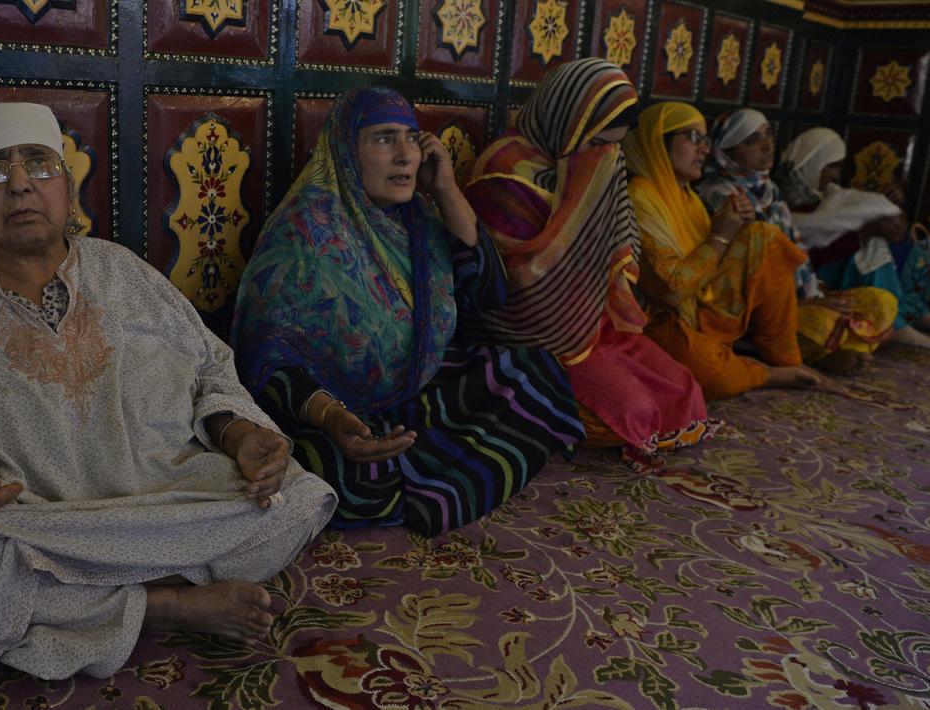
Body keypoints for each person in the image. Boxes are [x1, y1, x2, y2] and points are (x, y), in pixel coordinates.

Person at [0, 103, 337, 696]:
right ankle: (163, 604)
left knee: (296, 497)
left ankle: (73, 599)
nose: (20, 183)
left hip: (157, 497)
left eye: (39, 164)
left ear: (68, 188)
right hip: (27, 523)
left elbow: (212, 371)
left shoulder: (124, 272)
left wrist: (239, 435)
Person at [231, 87, 583, 537]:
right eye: (383, 138)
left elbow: (488, 291)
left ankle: (427, 481)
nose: (404, 155)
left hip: (418, 388)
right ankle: (438, 477)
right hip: (334, 412)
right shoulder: (307, 230)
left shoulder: (417, 220)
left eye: (412, 138)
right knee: (351, 476)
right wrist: (335, 418)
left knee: (536, 373)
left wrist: (447, 189)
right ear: (345, 151)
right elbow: (265, 358)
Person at [461, 58, 719, 473]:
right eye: (596, 142)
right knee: (629, 410)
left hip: (591, 321)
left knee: (683, 388)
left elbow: (613, 248)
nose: (606, 157)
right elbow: (513, 282)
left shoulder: (596, 162)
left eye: (614, 145)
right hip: (526, 333)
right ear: (565, 120)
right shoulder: (505, 175)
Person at [621, 102, 826, 399]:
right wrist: (721, 236)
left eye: (705, 140)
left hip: (702, 312)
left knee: (764, 236)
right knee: (705, 371)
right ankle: (765, 373)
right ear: (658, 141)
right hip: (663, 322)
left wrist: (734, 229)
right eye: (692, 138)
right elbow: (670, 290)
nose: (703, 148)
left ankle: (786, 361)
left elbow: (714, 269)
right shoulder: (640, 197)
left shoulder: (688, 197)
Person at [696, 110, 897, 374]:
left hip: (796, 297)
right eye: (752, 141)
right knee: (821, 322)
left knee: (881, 302)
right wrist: (802, 304)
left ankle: (822, 347)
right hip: (752, 311)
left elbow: (795, 251)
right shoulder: (720, 194)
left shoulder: (770, 190)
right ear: (726, 151)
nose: (767, 146)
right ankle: (813, 355)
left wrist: (814, 294)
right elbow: (746, 276)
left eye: (768, 134)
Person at [772, 127, 930, 348]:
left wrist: (880, 209)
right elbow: (802, 234)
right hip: (801, 274)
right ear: (811, 160)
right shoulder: (776, 194)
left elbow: (838, 221)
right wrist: (862, 227)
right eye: (830, 166)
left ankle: (903, 318)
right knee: (865, 248)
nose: (835, 175)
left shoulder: (827, 194)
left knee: (878, 245)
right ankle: (898, 325)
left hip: (821, 269)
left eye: (838, 167)